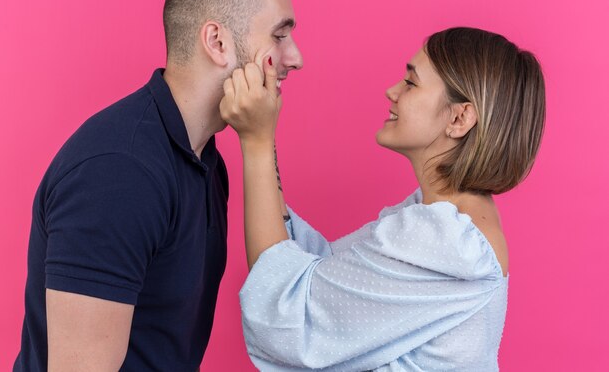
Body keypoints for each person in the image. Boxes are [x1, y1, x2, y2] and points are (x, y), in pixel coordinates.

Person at [14, 0, 303, 371]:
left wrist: (260, 139)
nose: (295, 57)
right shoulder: (119, 172)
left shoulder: (203, 160)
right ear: (218, 43)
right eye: (279, 36)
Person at [220, 27, 545, 371]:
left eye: (411, 83)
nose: (392, 91)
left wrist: (256, 142)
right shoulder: (441, 219)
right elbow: (325, 268)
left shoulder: (446, 240)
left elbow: (290, 313)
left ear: (459, 118)